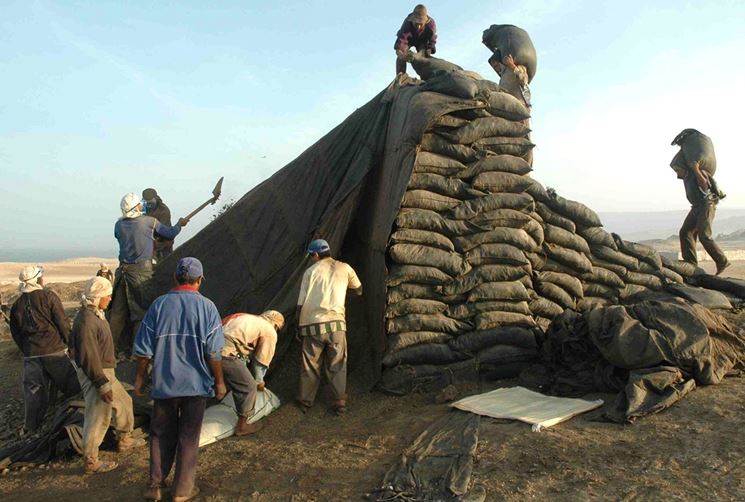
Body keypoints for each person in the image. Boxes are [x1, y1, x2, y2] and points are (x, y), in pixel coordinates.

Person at [133, 257, 225, 502]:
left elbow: (143, 351)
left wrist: (140, 380)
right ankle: (183, 491)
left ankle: (155, 486)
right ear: (200, 280)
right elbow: (214, 353)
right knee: (188, 437)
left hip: (165, 386)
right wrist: (220, 382)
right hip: (196, 386)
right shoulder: (208, 308)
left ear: (175, 278)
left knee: (160, 434)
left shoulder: (158, 306)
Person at [69, 276, 144, 474]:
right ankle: (91, 459)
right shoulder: (86, 322)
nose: (110, 299)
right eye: (107, 296)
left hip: (104, 371)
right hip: (97, 373)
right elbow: (88, 356)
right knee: (98, 415)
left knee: (124, 402)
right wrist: (101, 382)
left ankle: (124, 439)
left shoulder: (94, 315)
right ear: (98, 296)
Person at [109, 192, 187, 355]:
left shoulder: (119, 225)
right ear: (137, 206)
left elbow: (131, 239)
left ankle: (109, 351)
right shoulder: (149, 222)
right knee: (142, 312)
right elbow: (171, 233)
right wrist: (180, 224)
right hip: (141, 272)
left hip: (122, 271)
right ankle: (138, 353)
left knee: (118, 312)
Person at [9, 266, 80, 434]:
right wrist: (71, 344)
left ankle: (31, 427)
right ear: (38, 279)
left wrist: (27, 349)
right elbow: (62, 322)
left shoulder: (17, 305)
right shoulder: (49, 297)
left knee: (33, 393)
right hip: (54, 350)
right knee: (73, 386)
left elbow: (16, 333)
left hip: (31, 354)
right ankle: (75, 419)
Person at [296, 239, 362, 415]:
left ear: (315, 254)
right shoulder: (345, 268)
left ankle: (305, 402)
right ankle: (340, 402)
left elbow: (300, 304)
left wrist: (298, 325)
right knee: (338, 363)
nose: (311, 259)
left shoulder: (310, 272)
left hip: (312, 324)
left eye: (311, 256)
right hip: (337, 324)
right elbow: (358, 289)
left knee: (310, 364)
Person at [220, 310, 284, 436]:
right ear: (276, 325)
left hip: (207, 346)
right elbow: (261, 361)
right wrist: (259, 381)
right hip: (225, 351)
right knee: (248, 386)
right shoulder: (269, 331)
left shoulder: (243, 316)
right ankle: (242, 427)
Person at [672, 159, 729, 276]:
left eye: (678, 170)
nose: (677, 174)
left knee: (704, 235)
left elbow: (705, 185)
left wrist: (696, 169)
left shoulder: (697, 173)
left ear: (683, 167)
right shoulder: (687, 177)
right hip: (696, 207)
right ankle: (691, 263)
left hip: (706, 206)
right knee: (685, 232)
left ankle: (722, 261)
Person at [394, 4, 437, 75]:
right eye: (416, 23)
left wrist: (430, 49)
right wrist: (400, 53)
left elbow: (432, 39)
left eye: (421, 24)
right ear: (413, 20)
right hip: (409, 41)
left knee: (423, 57)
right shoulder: (407, 23)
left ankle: (426, 77)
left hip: (422, 41)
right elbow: (402, 39)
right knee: (400, 57)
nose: (419, 26)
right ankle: (400, 76)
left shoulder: (431, 25)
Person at [142, 188, 175, 263]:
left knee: (165, 264)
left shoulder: (164, 211)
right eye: (146, 202)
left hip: (163, 244)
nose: (148, 205)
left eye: (150, 202)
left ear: (155, 198)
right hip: (148, 245)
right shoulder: (143, 209)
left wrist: (154, 245)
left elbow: (163, 232)